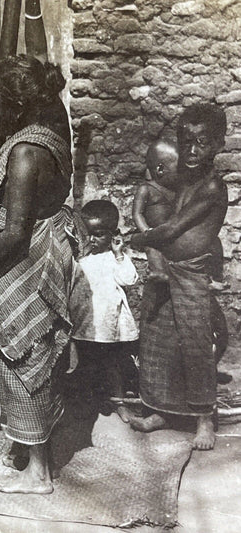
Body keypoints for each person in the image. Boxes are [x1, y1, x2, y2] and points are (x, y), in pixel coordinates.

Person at [0, 54, 87, 494]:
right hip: (36, 253)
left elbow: (14, 234)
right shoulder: (51, 128)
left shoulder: (27, 152)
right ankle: (30, 446)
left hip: (27, 262)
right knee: (31, 354)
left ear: (15, 103)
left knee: (25, 355)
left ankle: (40, 473)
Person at [130, 103, 229, 450]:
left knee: (196, 344)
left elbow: (172, 228)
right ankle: (163, 410)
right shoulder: (184, 178)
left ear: (219, 144)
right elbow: (158, 202)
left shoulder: (213, 187)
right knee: (157, 341)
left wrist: (139, 238)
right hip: (167, 272)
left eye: (202, 142)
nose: (192, 150)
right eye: (186, 142)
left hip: (191, 273)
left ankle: (205, 420)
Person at [69, 200, 139, 423]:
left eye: (98, 234)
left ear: (113, 234)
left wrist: (119, 254)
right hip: (84, 323)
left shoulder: (114, 259)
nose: (91, 239)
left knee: (112, 365)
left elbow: (129, 279)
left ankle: (120, 403)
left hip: (108, 325)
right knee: (82, 366)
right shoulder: (79, 259)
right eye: (87, 234)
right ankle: (84, 405)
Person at [132, 140, 178, 283]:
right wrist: (146, 230)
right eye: (179, 169)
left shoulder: (176, 190)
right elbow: (137, 213)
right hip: (150, 233)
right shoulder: (146, 189)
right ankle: (158, 271)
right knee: (153, 247)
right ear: (160, 170)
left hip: (167, 233)